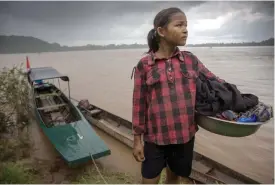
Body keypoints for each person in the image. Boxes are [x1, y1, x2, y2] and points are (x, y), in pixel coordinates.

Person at [131, 7, 224, 184]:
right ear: (161, 31)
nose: (185, 29)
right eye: (179, 25)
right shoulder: (145, 65)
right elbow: (138, 104)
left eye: (186, 25)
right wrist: (137, 141)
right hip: (155, 138)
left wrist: (241, 100)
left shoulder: (191, 60)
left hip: (184, 137)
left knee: (173, 179)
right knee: (149, 179)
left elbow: (216, 83)